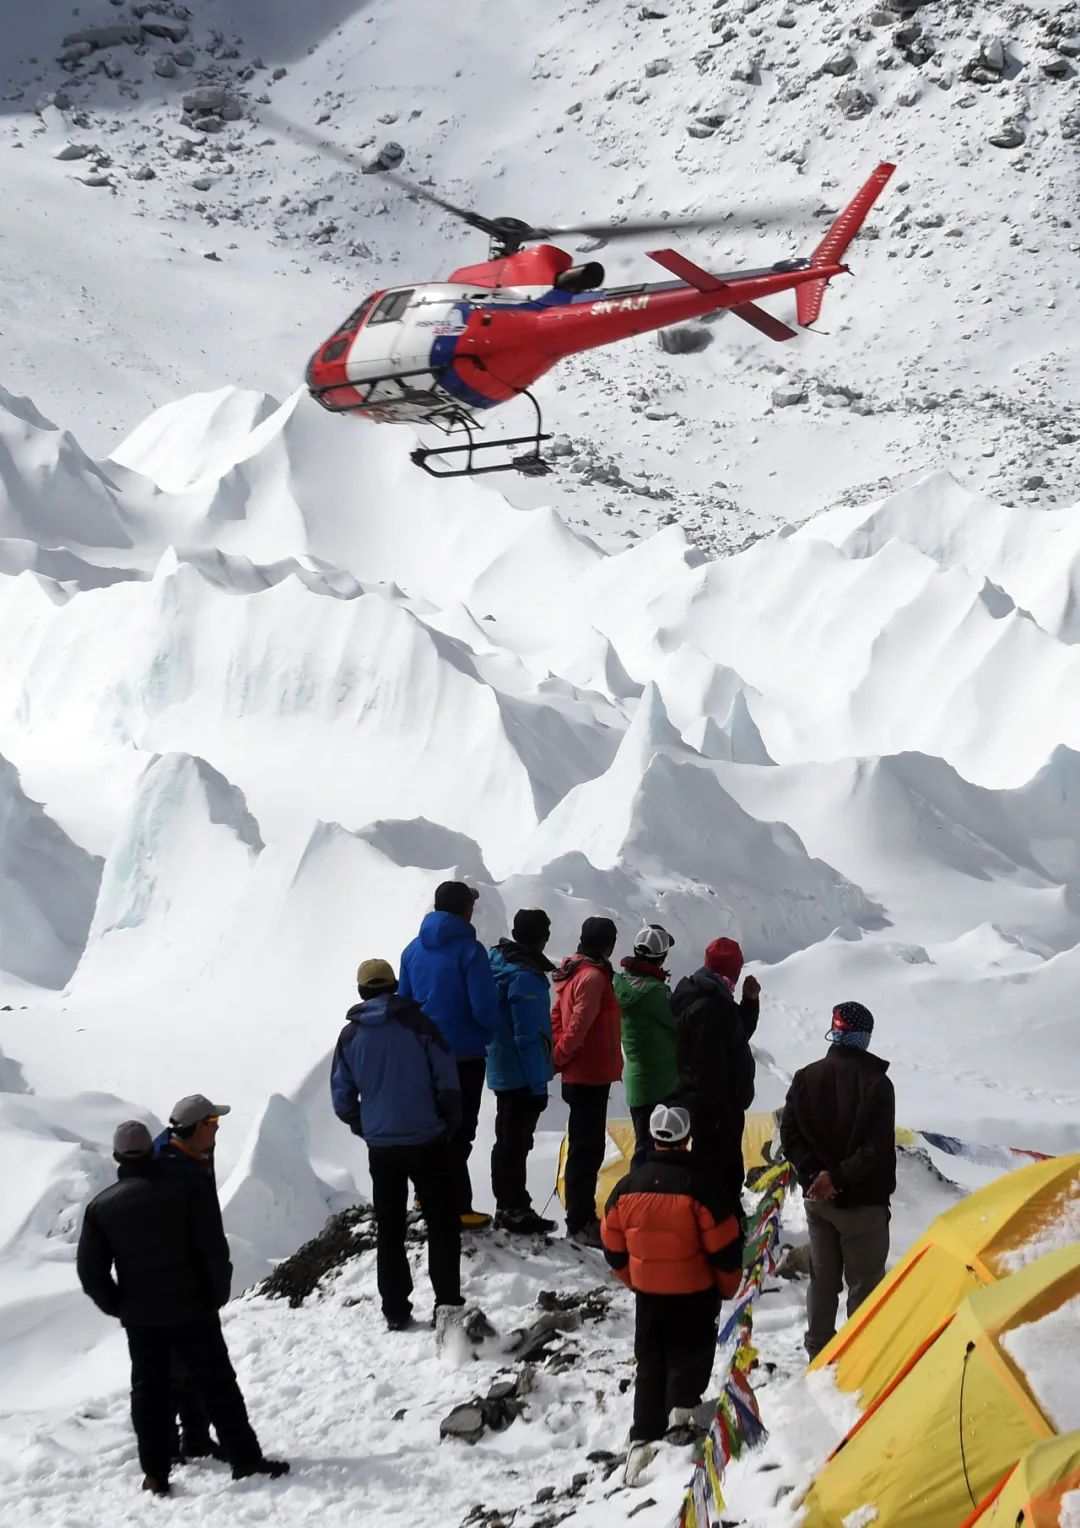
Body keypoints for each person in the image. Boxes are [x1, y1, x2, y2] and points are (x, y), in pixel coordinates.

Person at [77, 1120, 288, 1498]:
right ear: (151, 1150)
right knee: (218, 1385)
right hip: (193, 1308)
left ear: (116, 1158)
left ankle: (155, 1473)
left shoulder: (101, 1208)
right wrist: (215, 1292)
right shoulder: (185, 1189)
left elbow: (90, 1273)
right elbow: (211, 1247)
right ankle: (245, 1459)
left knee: (149, 1394)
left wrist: (120, 1305)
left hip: (142, 1319)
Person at [600, 1104, 743, 1483]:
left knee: (650, 1365)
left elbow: (611, 1244)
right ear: (686, 1138)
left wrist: (633, 1278)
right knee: (688, 1363)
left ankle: (642, 1441)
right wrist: (727, 1287)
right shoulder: (704, 1186)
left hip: (650, 1296)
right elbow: (726, 1246)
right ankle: (678, 1437)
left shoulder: (627, 1187)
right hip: (695, 1295)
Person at [331, 957, 465, 1331]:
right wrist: (446, 1123)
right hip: (427, 1140)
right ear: (394, 986)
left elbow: (342, 1097)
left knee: (390, 1228)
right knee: (441, 1223)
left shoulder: (350, 1036)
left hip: (383, 1148)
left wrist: (366, 1126)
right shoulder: (420, 1025)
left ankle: (395, 1309)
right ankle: (448, 1303)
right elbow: (448, 1080)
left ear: (361, 992)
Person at [780, 1001, 896, 1360]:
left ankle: (818, 1352)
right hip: (862, 1203)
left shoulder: (805, 1076)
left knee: (823, 1280)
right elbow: (875, 1149)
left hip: (817, 1201)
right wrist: (839, 1178)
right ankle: (860, 1358)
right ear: (864, 1037)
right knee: (864, 1284)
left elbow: (790, 1135)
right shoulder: (877, 1083)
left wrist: (815, 1175)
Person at [398, 881, 501, 1229]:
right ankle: (455, 1206)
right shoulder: (471, 951)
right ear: (465, 910)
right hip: (464, 1055)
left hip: (424, 1054)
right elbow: (484, 1005)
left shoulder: (412, 950)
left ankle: (425, 1195)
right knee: (460, 1131)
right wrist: (485, 1034)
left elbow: (404, 1002)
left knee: (432, 1126)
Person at [152, 1093, 232, 1465]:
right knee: (175, 1368)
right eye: (213, 1124)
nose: (217, 1130)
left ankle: (195, 1438)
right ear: (198, 1128)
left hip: (192, 1280)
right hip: (180, 1284)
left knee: (191, 1365)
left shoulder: (184, 1156)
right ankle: (169, 1445)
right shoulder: (172, 1169)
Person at [671, 937, 761, 1205]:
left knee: (718, 1164)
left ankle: (720, 1217)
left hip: (713, 1103)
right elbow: (707, 1065)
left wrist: (749, 1002)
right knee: (717, 1166)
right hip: (714, 1107)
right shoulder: (709, 1005)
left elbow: (735, 1035)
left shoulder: (710, 992)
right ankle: (719, 1221)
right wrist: (722, 1109)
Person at [551, 915, 621, 1248]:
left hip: (581, 1073)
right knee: (587, 1150)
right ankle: (580, 1221)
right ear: (608, 944)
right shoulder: (593, 977)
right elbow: (578, 1025)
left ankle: (581, 1218)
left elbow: (558, 1017)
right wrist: (563, 1055)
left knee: (584, 1147)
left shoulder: (573, 971)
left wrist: (559, 1054)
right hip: (589, 1073)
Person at [487, 908, 557, 1234]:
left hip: (500, 1065)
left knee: (507, 1140)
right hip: (521, 1074)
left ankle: (508, 1204)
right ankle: (515, 1209)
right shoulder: (525, 977)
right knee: (516, 1142)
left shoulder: (497, 963)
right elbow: (528, 1038)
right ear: (541, 937)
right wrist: (538, 1086)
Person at [614, 925, 679, 1167]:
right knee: (660, 1150)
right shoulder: (655, 993)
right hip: (663, 1083)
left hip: (638, 1082)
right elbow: (678, 1022)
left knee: (644, 1144)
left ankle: (639, 1196)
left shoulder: (619, 983)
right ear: (660, 957)